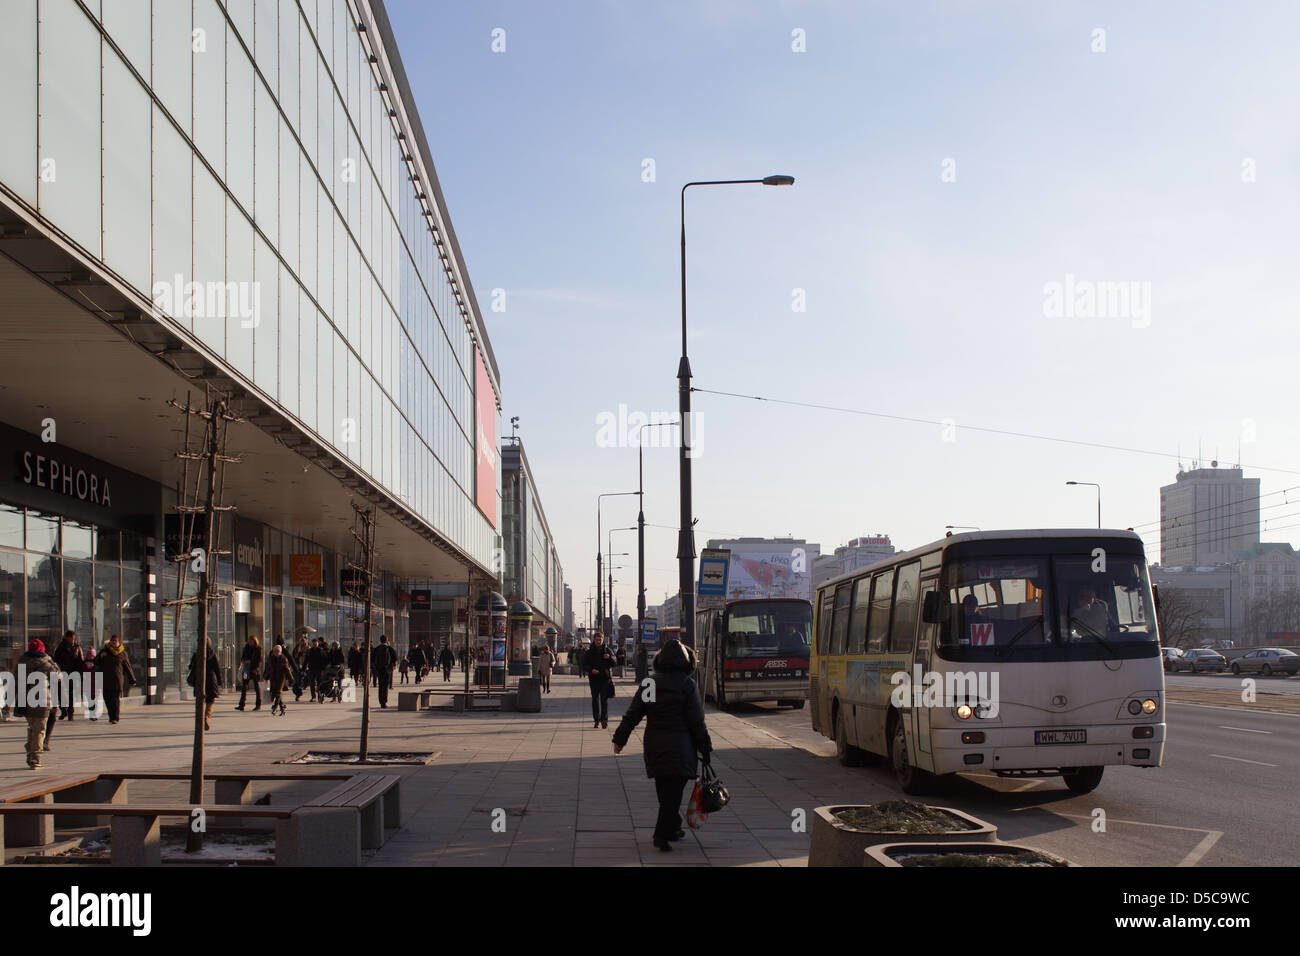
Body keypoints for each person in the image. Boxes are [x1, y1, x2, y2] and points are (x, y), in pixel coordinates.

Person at [612, 639, 713, 852]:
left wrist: (620, 738)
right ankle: (661, 834)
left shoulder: (650, 683)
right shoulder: (687, 685)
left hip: (655, 744)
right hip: (681, 745)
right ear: (686, 662)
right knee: (673, 793)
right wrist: (705, 746)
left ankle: (673, 827)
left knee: (665, 791)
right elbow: (696, 720)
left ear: (660, 660)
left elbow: (635, 713)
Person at [19, 640, 59, 768]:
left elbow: (16, 681)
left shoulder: (22, 662)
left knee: (33, 727)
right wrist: (49, 659)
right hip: (42, 700)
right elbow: (57, 675)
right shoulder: (46, 663)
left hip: (25, 700)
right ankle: (35, 756)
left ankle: (31, 750)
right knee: (40, 729)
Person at [94, 634, 135, 724]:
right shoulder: (104, 651)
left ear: (118, 642)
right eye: (112, 641)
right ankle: (111, 716)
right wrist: (100, 656)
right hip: (105, 680)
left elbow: (128, 667)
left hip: (117, 680)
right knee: (107, 699)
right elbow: (95, 662)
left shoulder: (122, 653)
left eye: (115, 641)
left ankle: (115, 717)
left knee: (115, 699)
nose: (113, 642)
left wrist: (132, 679)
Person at [582, 633, 617, 729]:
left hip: (605, 678)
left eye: (600, 640)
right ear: (594, 640)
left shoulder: (607, 650)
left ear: (603, 640)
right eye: (597, 640)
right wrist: (591, 670)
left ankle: (604, 720)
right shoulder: (589, 652)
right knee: (595, 700)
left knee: (604, 700)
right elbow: (584, 664)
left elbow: (615, 663)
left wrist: (609, 657)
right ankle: (596, 720)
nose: (598, 641)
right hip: (594, 679)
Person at [187, 638, 222, 731]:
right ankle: (206, 717)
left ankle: (200, 719)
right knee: (210, 701)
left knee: (200, 701)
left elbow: (191, 666)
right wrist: (219, 681)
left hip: (199, 680)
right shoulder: (212, 654)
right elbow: (217, 669)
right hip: (210, 680)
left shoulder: (196, 654)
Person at [52, 629, 84, 725]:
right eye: (71, 638)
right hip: (63, 672)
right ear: (67, 637)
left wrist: (80, 673)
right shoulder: (61, 647)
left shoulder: (77, 647)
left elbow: (80, 661)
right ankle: (64, 710)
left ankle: (70, 712)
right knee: (61, 692)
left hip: (72, 673)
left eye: (74, 638)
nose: (73, 640)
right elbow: (56, 660)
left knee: (69, 693)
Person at [236, 634, 263, 710]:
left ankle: (258, 704)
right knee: (244, 686)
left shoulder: (258, 649)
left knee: (256, 687)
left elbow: (259, 660)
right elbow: (243, 657)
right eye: (249, 641)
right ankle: (241, 704)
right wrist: (243, 661)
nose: (250, 642)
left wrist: (255, 668)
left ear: (255, 642)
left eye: (252, 641)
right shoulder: (246, 648)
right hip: (246, 670)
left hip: (254, 670)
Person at [266, 644, 293, 716]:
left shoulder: (283, 659)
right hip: (273, 678)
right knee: (275, 693)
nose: (275, 653)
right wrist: (266, 677)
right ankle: (282, 708)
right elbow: (268, 668)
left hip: (281, 678)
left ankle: (275, 708)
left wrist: (291, 679)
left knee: (278, 692)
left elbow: (287, 669)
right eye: (274, 651)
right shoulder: (271, 658)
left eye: (277, 651)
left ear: (280, 652)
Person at [372, 634, 397, 708]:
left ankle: (381, 701)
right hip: (387, 670)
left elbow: (372, 659)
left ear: (380, 640)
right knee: (385, 686)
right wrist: (391, 666)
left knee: (380, 685)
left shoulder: (377, 649)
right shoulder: (389, 648)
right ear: (386, 640)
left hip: (379, 670)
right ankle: (384, 702)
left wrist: (376, 667)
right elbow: (395, 658)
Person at [305, 637, 329, 701]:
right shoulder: (309, 651)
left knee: (320, 683)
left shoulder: (321, 651)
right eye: (313, 643)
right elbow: (306, 660)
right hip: (311, 669)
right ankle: (313, 697)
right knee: (312, 683)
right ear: (312, 644)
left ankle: (320, 696)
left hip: (320, 669)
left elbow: (326, 659)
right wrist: (303, 669)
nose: (314, 644)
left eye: (316, 643)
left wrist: (325, 667)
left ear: (318, 643)